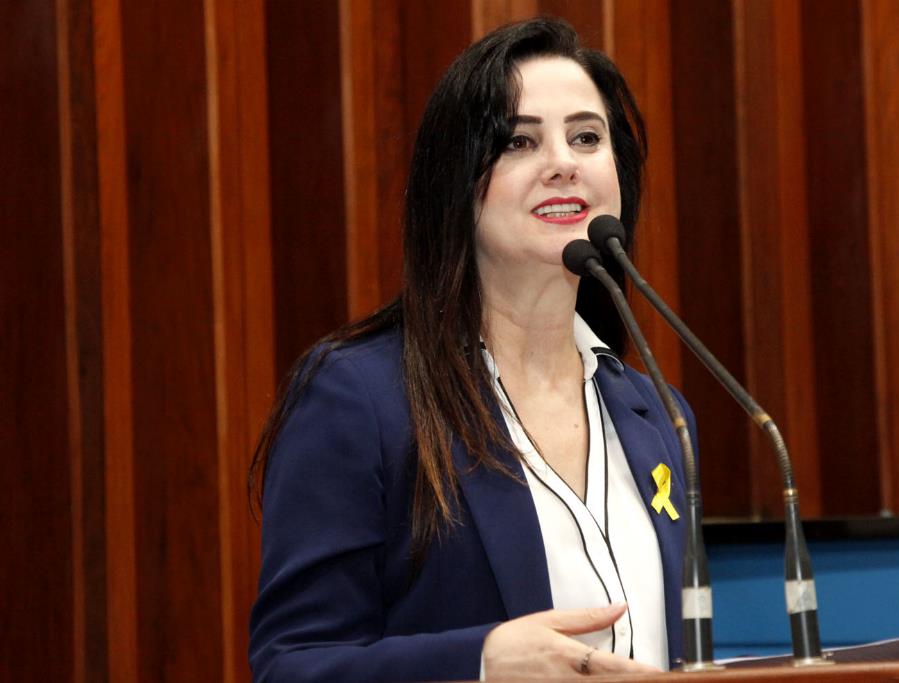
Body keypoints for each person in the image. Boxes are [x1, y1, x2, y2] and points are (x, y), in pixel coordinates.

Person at [248, 17, 696, 682]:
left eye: (586, 136)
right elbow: (291, 666)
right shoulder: (360, 399)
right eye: (519, 141)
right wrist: (481, 663)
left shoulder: (657, 414)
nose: (564, 163)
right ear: (455, 184)